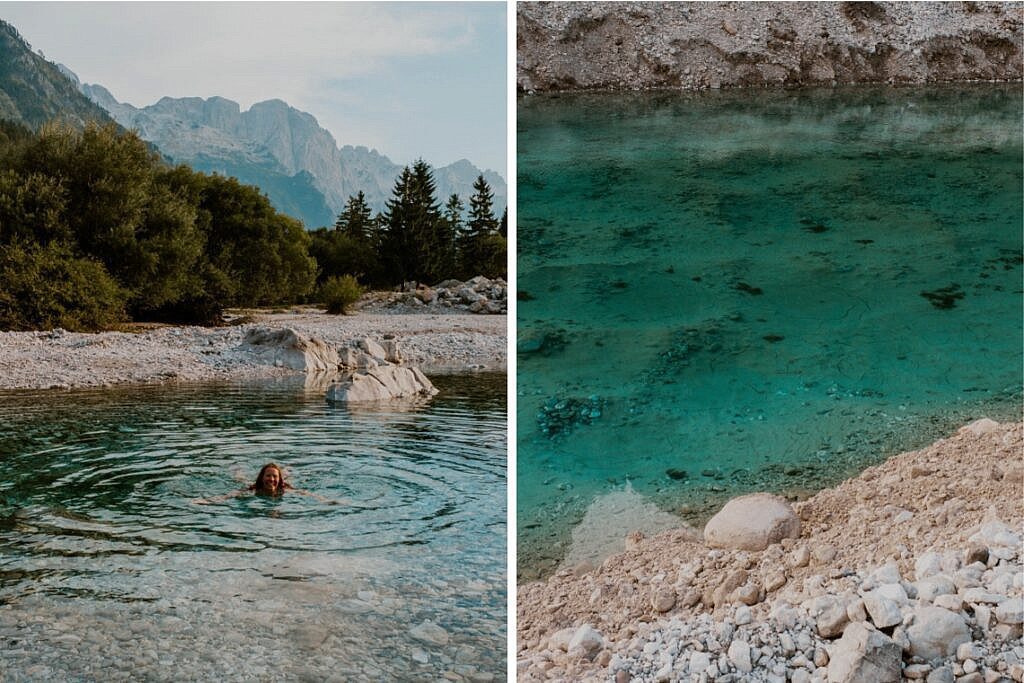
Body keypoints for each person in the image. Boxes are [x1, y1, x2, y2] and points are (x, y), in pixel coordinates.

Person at [193, 463, 339, 504]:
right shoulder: (256, 489)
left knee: (287, 478)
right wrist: (207, 501)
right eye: (268, 476)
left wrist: (325, 500)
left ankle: (286, 470)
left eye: (275, 476)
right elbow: (230, 495)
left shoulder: (284, 488)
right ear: (262, 478)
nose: (272, 479)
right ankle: (238, 471)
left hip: (284, 484)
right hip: (255, 486)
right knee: (242, 480)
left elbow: (306, 493)